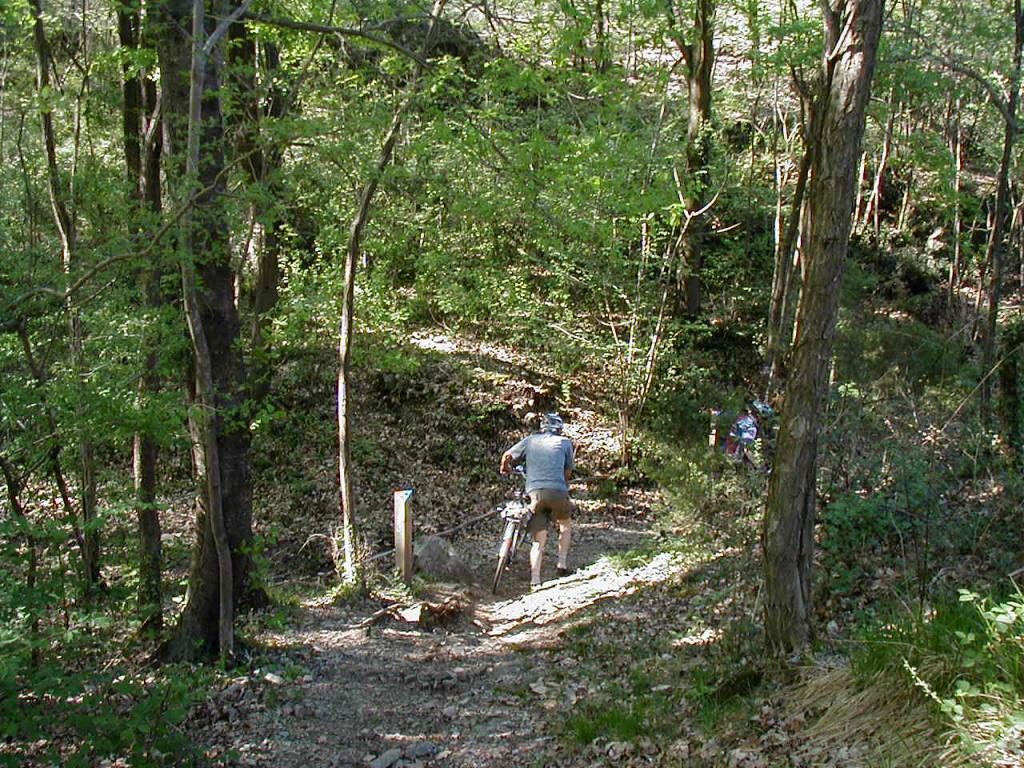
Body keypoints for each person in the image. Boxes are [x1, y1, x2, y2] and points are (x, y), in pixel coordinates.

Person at [500, 412, 575, 588]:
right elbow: (568, 472)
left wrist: (505, 468)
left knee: (538, 540)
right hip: (558, 491)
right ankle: (562, 564)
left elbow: (507, 456)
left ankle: (535, 580)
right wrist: (562, 483)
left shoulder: (530, 440)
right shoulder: (565, 443)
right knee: (565, 523)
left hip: (535, 493)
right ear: (559, 428)